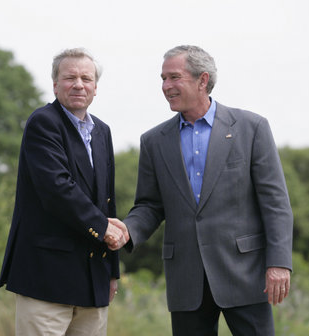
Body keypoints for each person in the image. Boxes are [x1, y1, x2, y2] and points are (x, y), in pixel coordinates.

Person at [107, 45, 293, 336]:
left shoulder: (251, 127)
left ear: (202, 80)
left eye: (174, 77)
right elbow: (150, 206)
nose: (166, 86)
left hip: (245, 274)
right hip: (185, 278)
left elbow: (275, 203)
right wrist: (128, 230)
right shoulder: (154, 141)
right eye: (163, 78)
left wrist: (279, 263)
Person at [0, 48, 124, 336]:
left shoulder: (102, 131)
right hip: (46, 280)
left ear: (95, 87)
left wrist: (112, 272)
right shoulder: (43, 123)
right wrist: (105, 228)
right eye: (70, 77)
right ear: (55, 84)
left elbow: (108, 204)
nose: (79, 84)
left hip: (93, 281)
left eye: (86, 78)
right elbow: (57, 189)